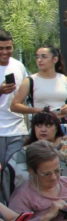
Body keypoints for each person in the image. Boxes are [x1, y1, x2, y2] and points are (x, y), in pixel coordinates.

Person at [12, 112, 67, 189]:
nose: (43, 129)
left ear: (56, 128)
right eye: (39, 125)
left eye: (48, 125)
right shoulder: (28, 149)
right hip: (40, 190)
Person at [11, 46, 67, 121]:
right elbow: (14, 105)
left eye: (44, 57)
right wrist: (37, 110)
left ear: (55, 59)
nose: (39, 60)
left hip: (62, 123)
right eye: (37, 57)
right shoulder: (30, 80)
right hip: (40, 123)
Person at [0, 30, 29, 166]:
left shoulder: (18, 66)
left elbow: (23, 99)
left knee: (14, 173)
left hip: (17, 129)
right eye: (1, 48)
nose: (5, 52)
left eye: (8, 48)